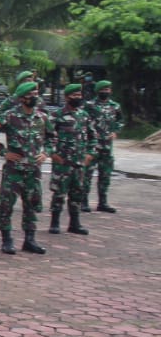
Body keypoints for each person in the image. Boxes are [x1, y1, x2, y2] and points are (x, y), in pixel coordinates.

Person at [0, 81, 52, 255]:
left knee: (31, 204)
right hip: (14, 169)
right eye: (31, 94)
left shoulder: (42, 117)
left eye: (36, 94)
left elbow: (52, 137)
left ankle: (30, 239)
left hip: (33, 169)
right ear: (22, 98)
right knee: (6, 204)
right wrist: (3, 152)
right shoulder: (10, 116)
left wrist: (46, 152)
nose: (35, 97)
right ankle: (7, 239)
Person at [48, 83, 97, 236]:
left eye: (79, 95)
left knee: (77, 192)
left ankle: (74, 223)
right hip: (62, 162)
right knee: (59, 193)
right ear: (66, 97)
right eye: (74, 95)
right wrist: (52, 153)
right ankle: (55, 222)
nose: (77, 98)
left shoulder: (84, 115)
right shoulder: (57, 115)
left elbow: (92, 136)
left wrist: (90, 153)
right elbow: (46, 136)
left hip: (79, 162)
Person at [83, 80, 123, 213]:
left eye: (108, 89)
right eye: (103, 89)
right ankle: (83, 201)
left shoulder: (115, 106)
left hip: (107, 146)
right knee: (87, 174)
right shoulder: (89, 105)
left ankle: (103, 202)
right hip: (92, 146)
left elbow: (120, 120)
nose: (105, 92)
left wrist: (115, 131)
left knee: (105, 174)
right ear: (97, 91)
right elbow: (82, 120)